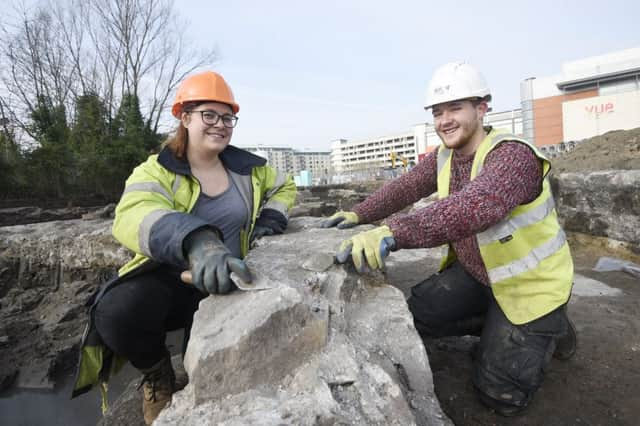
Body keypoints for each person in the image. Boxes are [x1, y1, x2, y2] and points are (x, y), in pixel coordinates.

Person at [321, 62, 577, 416]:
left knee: (499, 393)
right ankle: (500, 326)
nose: (445, 120)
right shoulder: (445, 156)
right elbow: (405, 186)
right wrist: (360, 214)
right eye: (438, 112)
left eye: (455, 108)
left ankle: (551, 326)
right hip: (479, 275)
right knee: (419, 314)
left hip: (531, 287)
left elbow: (476, 206)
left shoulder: (513, 156)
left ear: (482, 108)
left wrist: (394, 232)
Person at [72, 71, 297, 424]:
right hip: (172, 280)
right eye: (209, 115)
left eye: (228, 118)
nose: (220, 125)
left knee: (208, 366)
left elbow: (286, 187)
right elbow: (133, 214)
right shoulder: (157, 169)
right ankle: (158, 374)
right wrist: (196, 240)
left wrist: (270, 218)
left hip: (228, 281)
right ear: (185, 117)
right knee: (116, 313)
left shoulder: (248, 168)